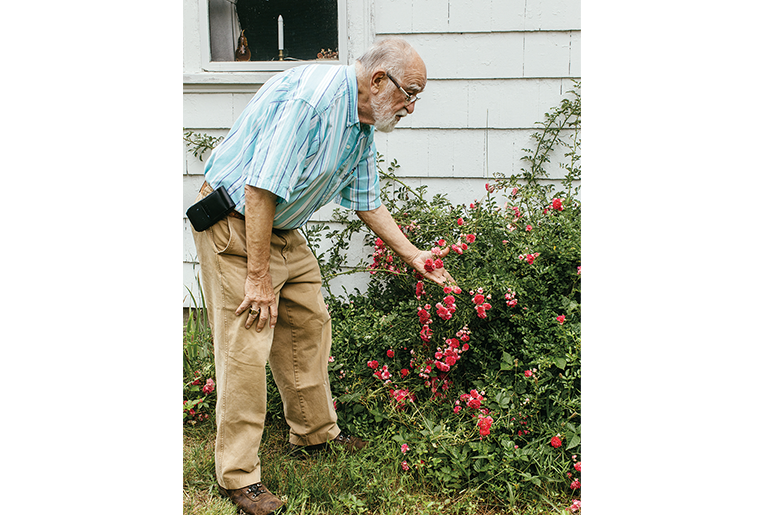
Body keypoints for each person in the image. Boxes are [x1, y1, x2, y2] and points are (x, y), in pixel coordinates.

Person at [190, 37, 453, 515]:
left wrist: (414, 255)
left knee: (309, 324)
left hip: (280, 224)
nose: (412, 107)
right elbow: (259, 187)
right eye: (409, 93)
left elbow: (367, 199)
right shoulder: (312, 101)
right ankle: (239, 476)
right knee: (246, 344)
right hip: (236, 223)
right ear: (379, 80)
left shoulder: (364, 121)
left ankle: (313, 435)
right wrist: (258, 277)